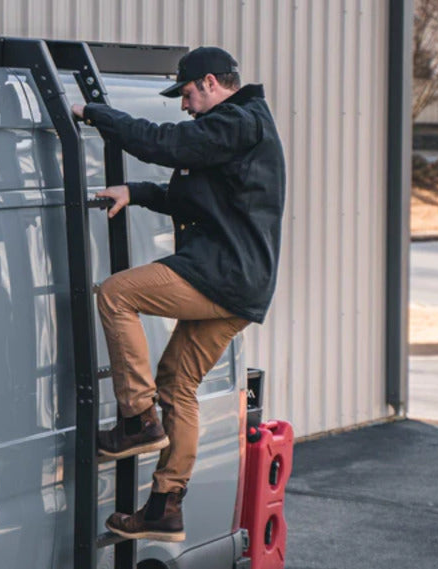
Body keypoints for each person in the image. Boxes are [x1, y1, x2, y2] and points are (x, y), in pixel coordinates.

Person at [71, 46, 286, 542]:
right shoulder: (235, 132)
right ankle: (165, 507)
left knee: (116, 293)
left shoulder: (238, 122)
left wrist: (93, 112)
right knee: (177, 384)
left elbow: (163, 143)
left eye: (187, 94)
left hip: (222, 275)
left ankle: (137, 418)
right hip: (238, 285)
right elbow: (191, 196)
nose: (185, 105)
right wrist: (136, 192)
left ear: (211, 83)